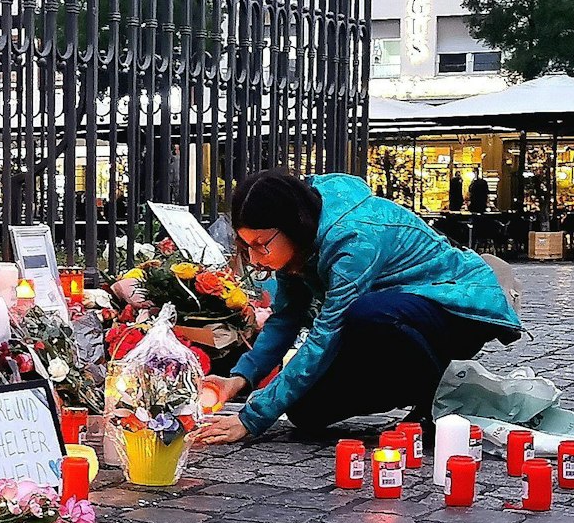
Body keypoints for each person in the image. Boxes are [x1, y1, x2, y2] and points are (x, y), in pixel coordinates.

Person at [191, 169, 522, 445]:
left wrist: (252, 418)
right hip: (393, 315)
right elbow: (286, 317)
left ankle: (438, 400)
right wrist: (241, 379)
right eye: (246, 246)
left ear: (292, 226)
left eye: (261, 245)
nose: (253, 258)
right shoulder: (300, 238)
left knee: (365, 314)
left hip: (453, 306)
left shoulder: (354, 238)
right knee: (306, 411)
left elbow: (327, 332)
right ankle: (409, 382)